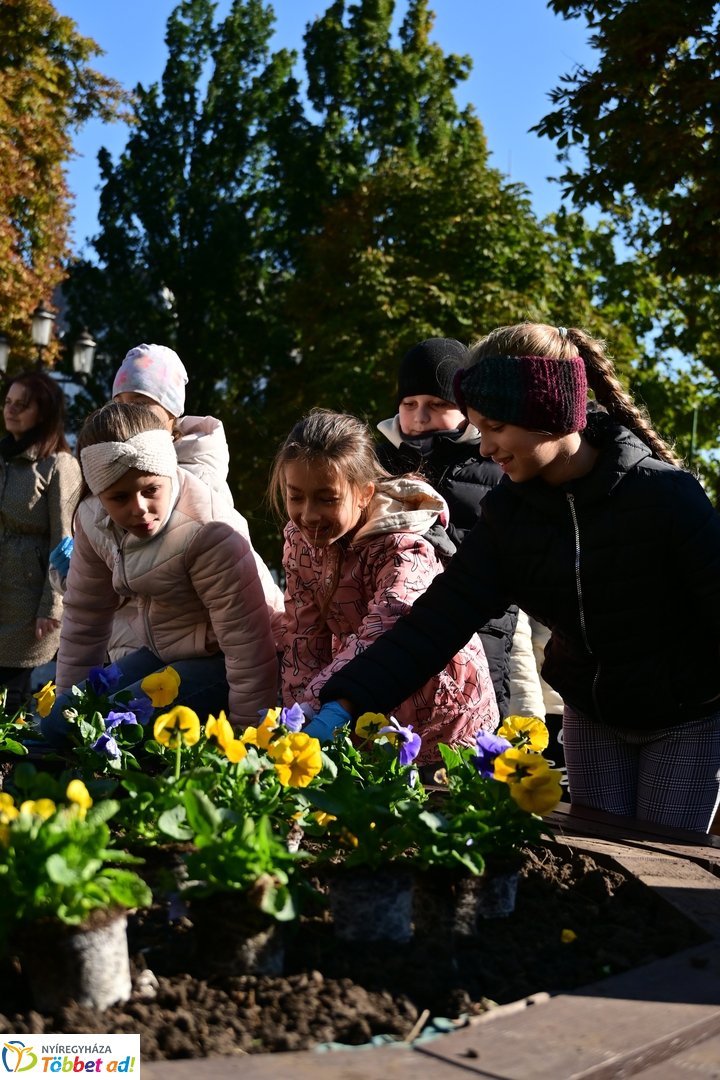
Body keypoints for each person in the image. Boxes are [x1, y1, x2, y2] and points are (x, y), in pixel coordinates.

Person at [312, 323, 720, 833]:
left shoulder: (664, 498)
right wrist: (344, 702)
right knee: (607, 862)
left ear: (547, 415)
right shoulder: (509, 517)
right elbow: (436, 623)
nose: (484, 448)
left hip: (683, 721)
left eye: (496, 429)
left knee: (669, 868)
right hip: (592, 717)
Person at [270, 408, 499, 765]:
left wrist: (320, 704)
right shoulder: (299, 544)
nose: (309, 514)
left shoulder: (404, 545)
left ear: (364, 494)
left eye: (327, 498)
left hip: (442, 710)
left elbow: (386, 625)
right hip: (360, 701)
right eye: (296, 496)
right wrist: (298, 716)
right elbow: (303, 635)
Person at [41, 402, 279, 742]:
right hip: (164, 653)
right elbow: (85, 618)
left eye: (150, 490)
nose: (139, 508)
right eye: (119, 498)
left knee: (117, 728)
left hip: (225, 662)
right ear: (99, 496)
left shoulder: (208, 532)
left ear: (168, 471)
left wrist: (248, 740)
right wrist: (67, 710)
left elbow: (248, 648)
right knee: (61, 725)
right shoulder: (92, 521)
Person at [50, 343, 284, 658]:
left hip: (205, 646)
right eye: (121, 404)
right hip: (145, 644)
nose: (129, 415)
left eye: (142, 404)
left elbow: (146, 572)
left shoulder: (195, 481)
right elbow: (98, 593)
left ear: (172, 414)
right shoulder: (116, 468)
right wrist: (79, 575)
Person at [375, 336, 537, 718]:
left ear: (467, 409)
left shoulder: (497, 465)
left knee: (474, 739)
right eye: (408, 404)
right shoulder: (375, 464)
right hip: (394, 620)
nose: (419, 417)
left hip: (481, 627)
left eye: (437, 404)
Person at [0, 371, 82, 711]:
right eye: (7, 402)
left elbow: (64, 540)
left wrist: (52, 606)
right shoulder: (2, 457)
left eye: (23, 404)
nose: (11, 410)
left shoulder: (59, 465)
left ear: (44, 412)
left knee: (10, 695)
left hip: (28, 595)